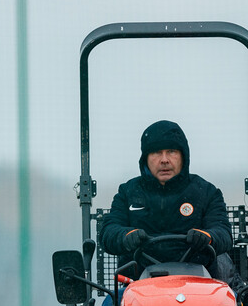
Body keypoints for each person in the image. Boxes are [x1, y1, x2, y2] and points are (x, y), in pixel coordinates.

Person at [100, 120, 240, 288]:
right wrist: (127, 235)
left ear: (183, 156)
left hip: (199, 288)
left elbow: (222, 232)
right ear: (146, 159)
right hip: (138, 287)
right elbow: (108, 232)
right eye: (157, 153)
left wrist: (207, 237)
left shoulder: (206, 192)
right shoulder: (128, 192)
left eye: (171, 152)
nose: (164, 160)